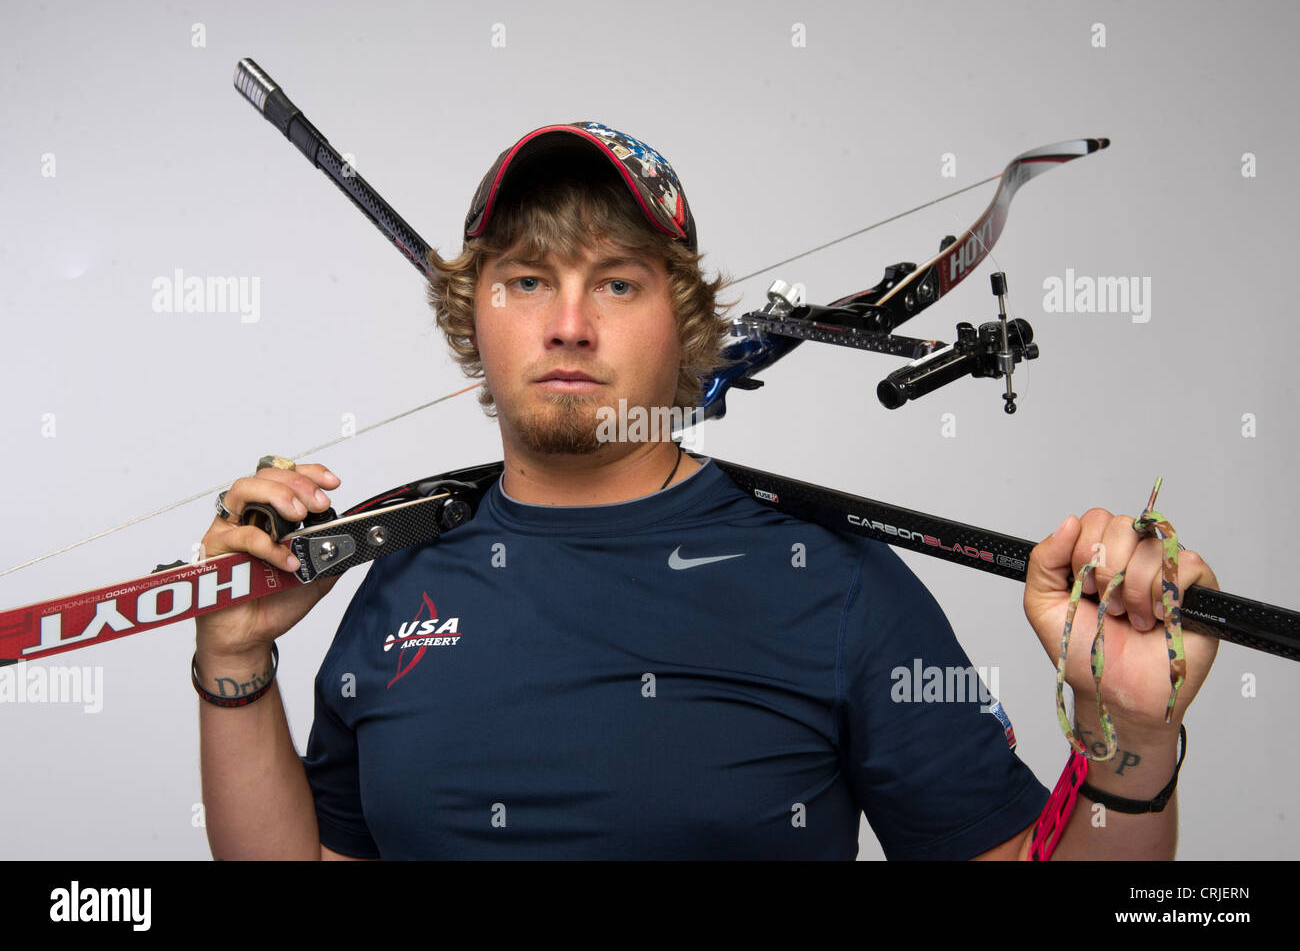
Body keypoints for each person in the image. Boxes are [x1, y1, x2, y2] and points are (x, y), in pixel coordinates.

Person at [193, 122, 1221, 860]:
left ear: (686, 326)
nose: (568, 323)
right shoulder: (396, 583)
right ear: (476, 322)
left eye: (618, 281)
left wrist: (1128, 741)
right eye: (525, 279)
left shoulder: (834, 585)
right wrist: (234, 663)